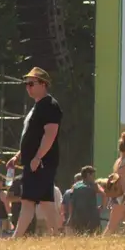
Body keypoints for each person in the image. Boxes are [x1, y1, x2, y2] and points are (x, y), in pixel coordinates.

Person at [8, 66, 63, 238]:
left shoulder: (50, 105)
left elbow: (50, 134)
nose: (28, 87)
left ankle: (16, 238)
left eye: (31, 83)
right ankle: (57, 236)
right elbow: (29, 136)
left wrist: (38, 157)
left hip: (41, 162)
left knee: (28, 201)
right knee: (45, 202)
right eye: (26, 84)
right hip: (34, 161)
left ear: (43, 84)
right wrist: (18, 156)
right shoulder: (36, 107)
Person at [102, 138, 125, 236]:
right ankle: (101, 242)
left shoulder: (120, 161)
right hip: (121, 197)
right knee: (112, 226)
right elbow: (121, 178)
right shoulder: (124, 162)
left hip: (122, 196)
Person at [64, 166, 104, 235]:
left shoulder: (75, 186)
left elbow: (71, 202)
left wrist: (71, 216)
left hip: (78, 215)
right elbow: (104, 194)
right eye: (93, 175)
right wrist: (102, 206)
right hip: (91, 215)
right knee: (93, 234)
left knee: (79, 235)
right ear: (88, 175)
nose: (94, 177)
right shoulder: (94, 185)